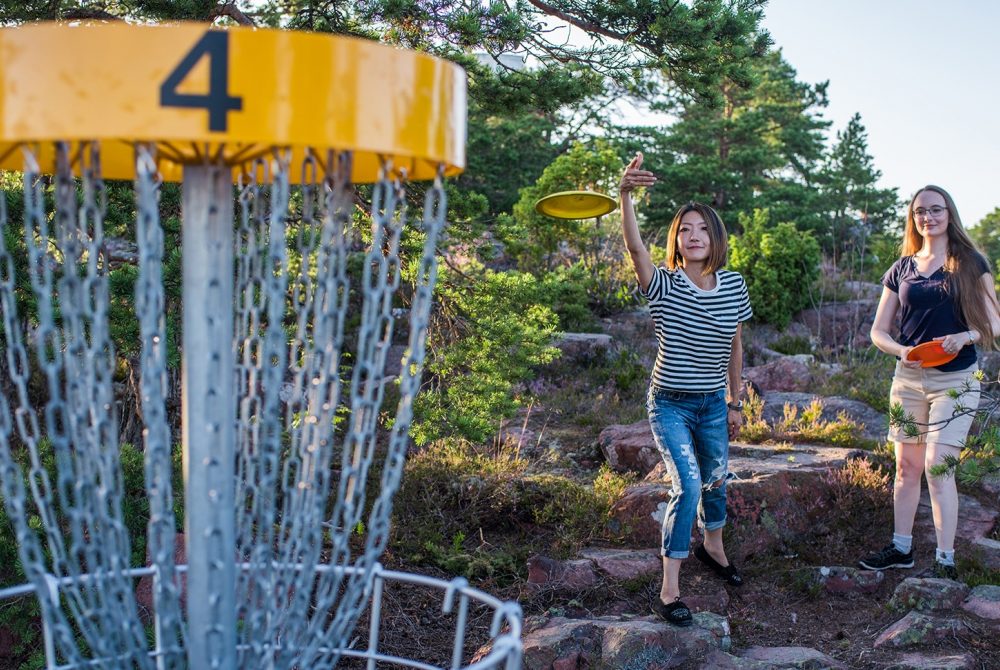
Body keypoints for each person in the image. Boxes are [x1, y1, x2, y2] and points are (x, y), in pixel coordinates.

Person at [619, 152, 753, 626]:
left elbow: (735, 345)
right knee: (690, 484)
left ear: (715, 237)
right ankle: (670, 590)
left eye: (701, 228)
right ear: (676, 240)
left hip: (713, 403)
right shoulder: (664, 284)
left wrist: (735, 401)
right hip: (670, 405)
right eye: (683, 229)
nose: (692, 236)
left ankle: (713, 550)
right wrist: (625, 196)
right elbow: (636, 251)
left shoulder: (734, 285)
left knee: (717, 479)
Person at [860, 185, 1000, 579]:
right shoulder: (902, 268)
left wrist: (966, 336)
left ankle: (945, 560)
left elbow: (994, 321)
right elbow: (878, 331)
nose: (928, 217)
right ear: (913, 218)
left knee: (939, 467)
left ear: (949, 214)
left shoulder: (971, 262)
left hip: (956, 379)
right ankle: (901, 549)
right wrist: (899, 351)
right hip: (908, 378)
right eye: (920, 211)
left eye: (935, 210)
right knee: (906, 467)